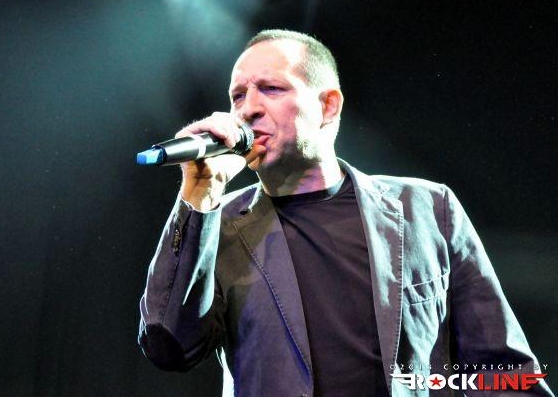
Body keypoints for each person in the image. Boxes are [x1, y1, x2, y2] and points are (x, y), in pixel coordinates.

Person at [138, 29, 553, 396]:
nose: (248, 109)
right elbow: (168, 347)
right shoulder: (219, 225)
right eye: (238, 96)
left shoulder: (426, 209)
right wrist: (201, 190)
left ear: (329, 106)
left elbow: (502, 370)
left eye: (272, 88)